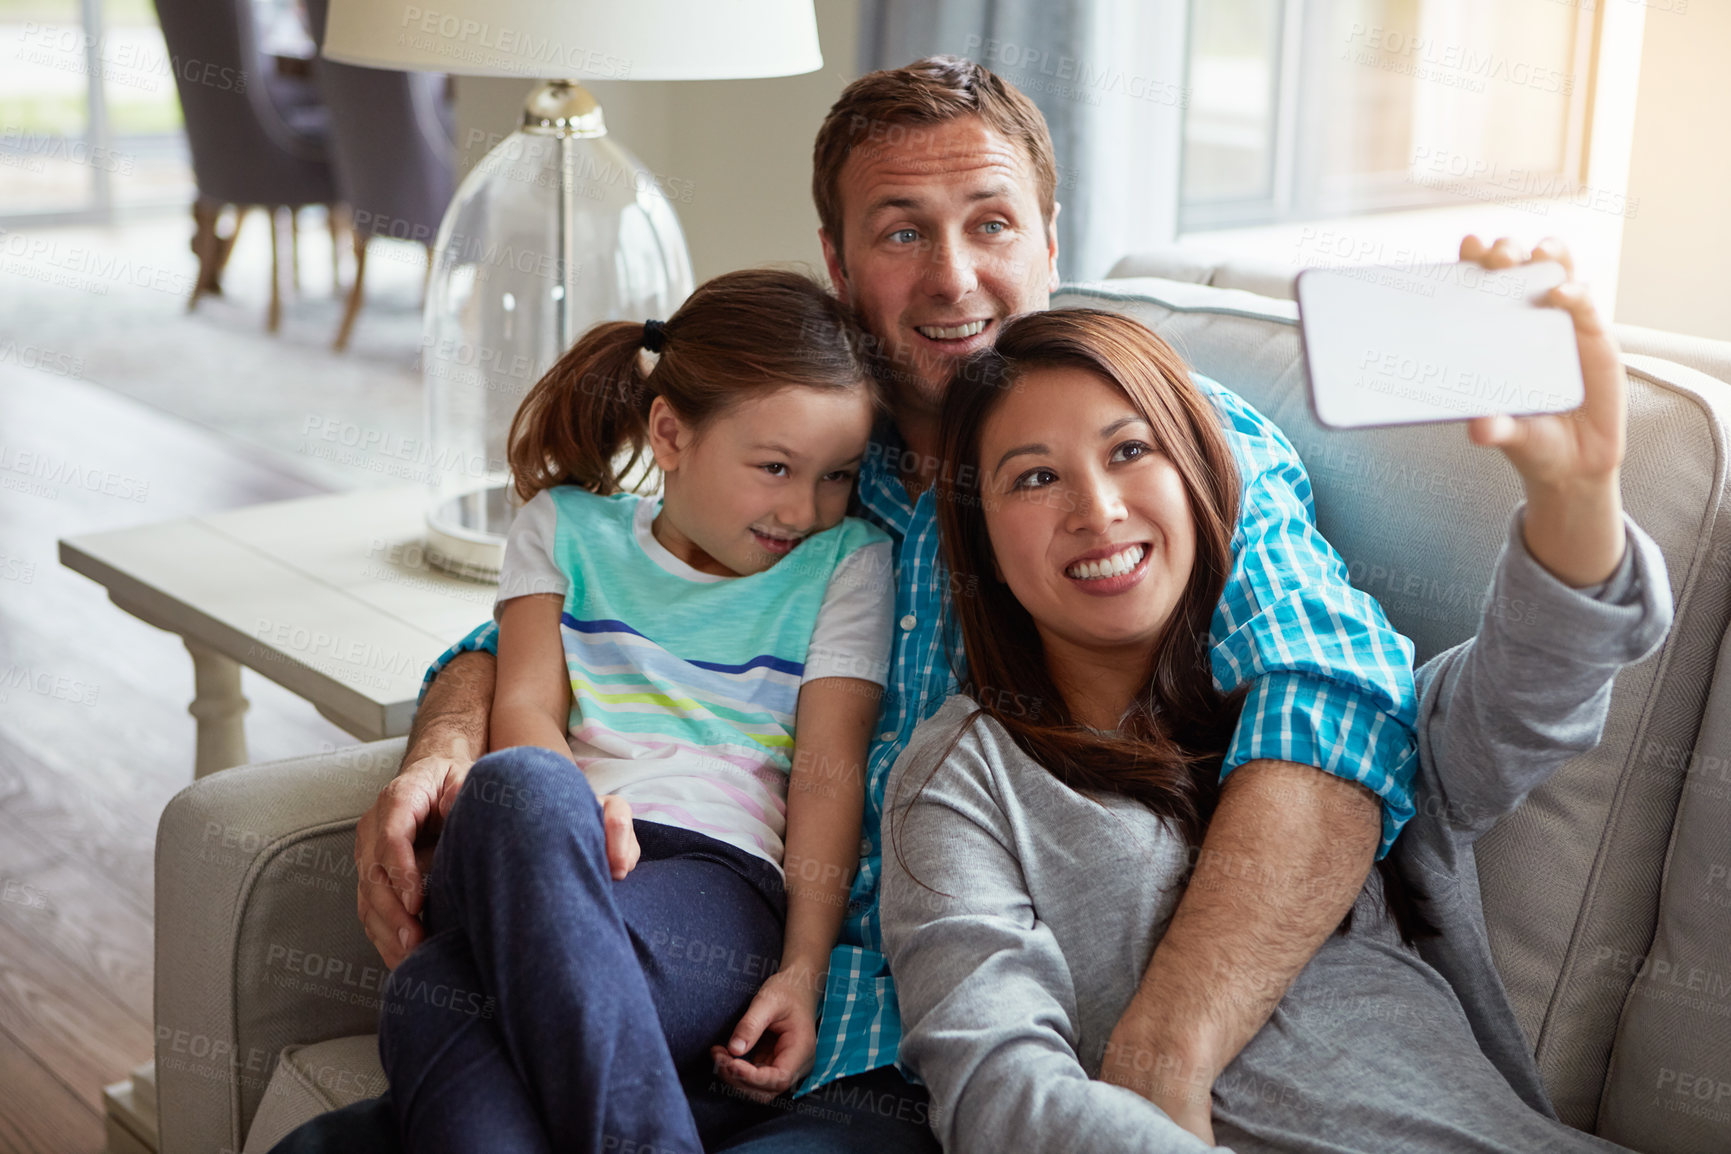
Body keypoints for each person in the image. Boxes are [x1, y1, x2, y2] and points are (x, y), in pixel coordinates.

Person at [291, 57, 1416, 1153]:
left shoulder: (1159, 444)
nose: (953, 278)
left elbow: (1332, 699)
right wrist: (444, 750)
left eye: (990, 223)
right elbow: (548, 622)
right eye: (901, 231)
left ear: (1050, 241)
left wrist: (1164, 1051)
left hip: (903, 1051)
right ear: (836, 261)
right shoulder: (811, 458)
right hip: (649, 964)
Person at [880, 240, 1669, 1151]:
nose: (1095, 509)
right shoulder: (959, 781)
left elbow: (1531, 693)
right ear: (978, 543)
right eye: (1035, 478)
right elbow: (998, 1092)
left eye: (1129, 450)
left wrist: (1577, 493)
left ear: (1201, 482)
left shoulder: (1326, 722)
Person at [378, 268, 896, 1154]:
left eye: (836, 475)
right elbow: (527, 705)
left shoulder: (848, 563)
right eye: (774, 467)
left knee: (432, 1000)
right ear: (670, 434)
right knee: (517, 785)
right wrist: (579, 810)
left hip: (715, 886)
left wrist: (801, 970)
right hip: (545, 848)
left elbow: (825, 775)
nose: (803, 508)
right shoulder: (561, 528)